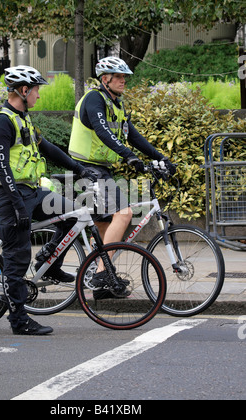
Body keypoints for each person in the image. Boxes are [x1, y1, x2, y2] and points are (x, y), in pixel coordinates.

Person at [0, 65, 96, 335]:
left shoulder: (24, 119)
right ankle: (19, 321)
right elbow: (2, 168)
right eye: (36, 90)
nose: (38, 96)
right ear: (23, 90)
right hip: (9, 196)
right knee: (17, 259)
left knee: (73, 217)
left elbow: (48, 148)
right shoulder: (1, 122)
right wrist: (18, 205)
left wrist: (79, 169)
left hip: (32, 192)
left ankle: (52, 265)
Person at [69, 56, 176, 294]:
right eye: (119, 76)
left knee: (106, 229)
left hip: (101, 169)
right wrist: (128, 156)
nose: (123, 81)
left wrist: (161, 158)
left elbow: (133, 136)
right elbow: (102, 131)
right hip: (86, 168)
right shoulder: (94, 99)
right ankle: (101, 274)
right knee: (124, 212)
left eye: (124, 77)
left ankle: (100, 284)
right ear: (105, 79)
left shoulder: (117, 105)